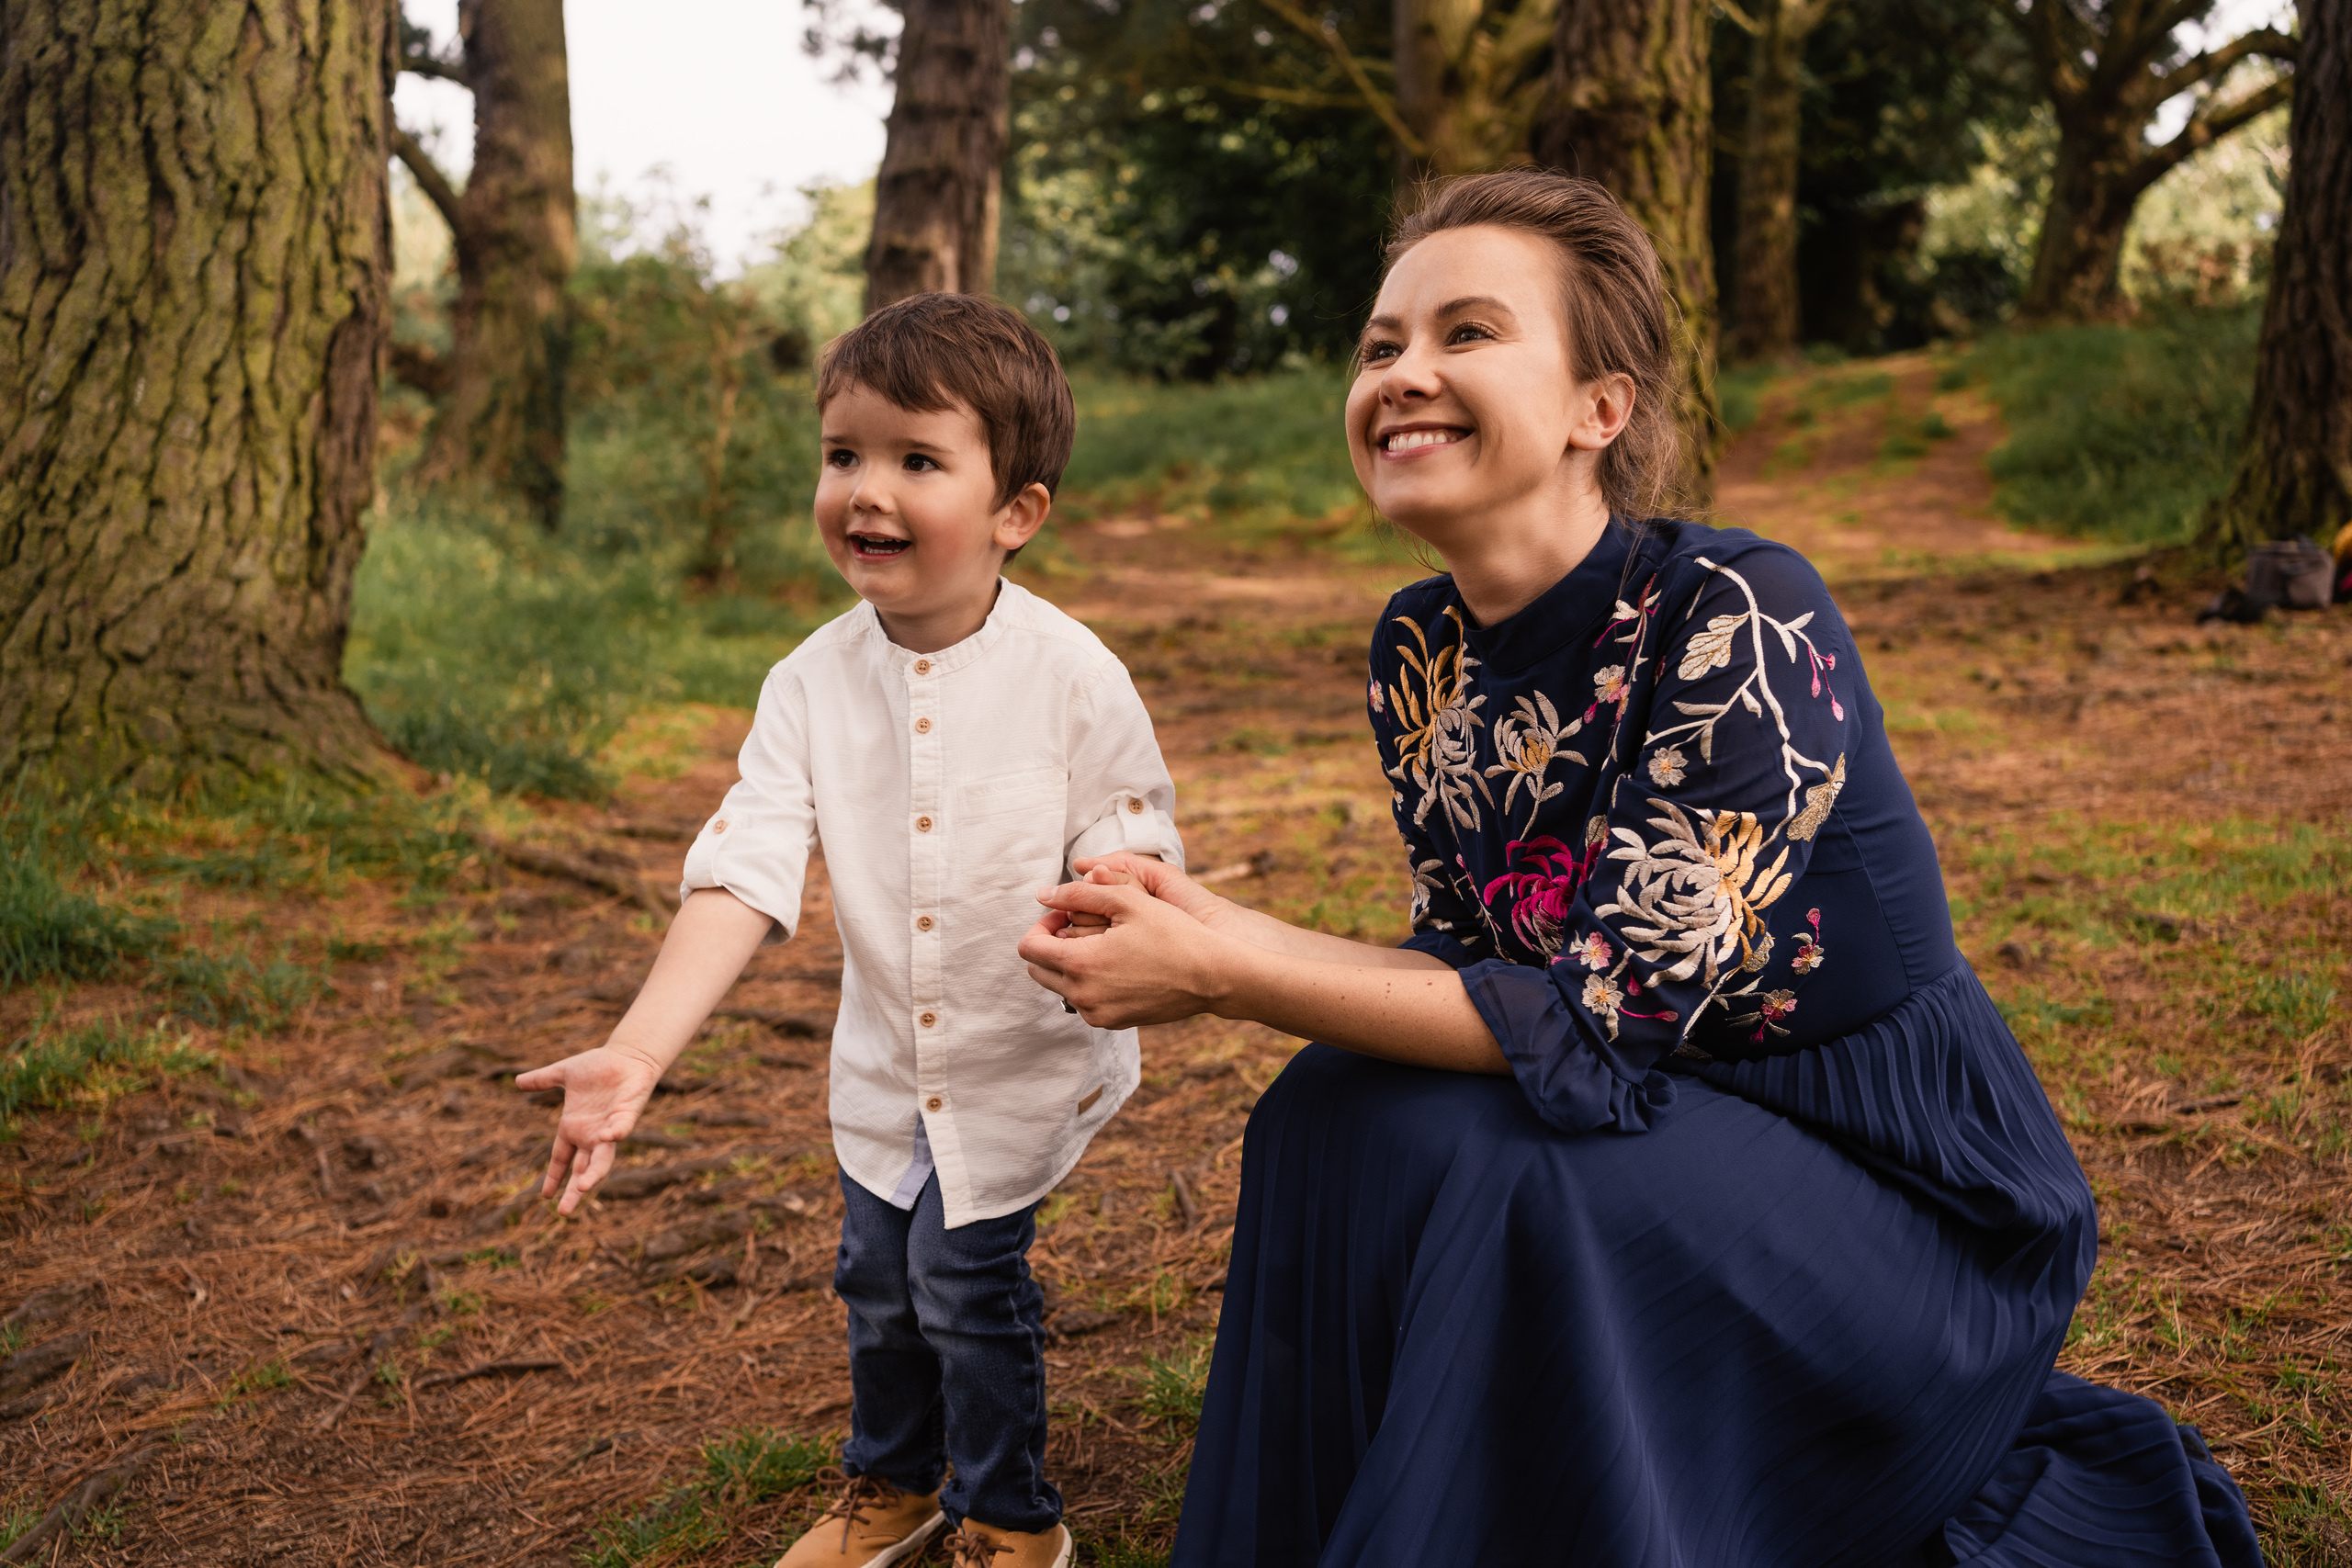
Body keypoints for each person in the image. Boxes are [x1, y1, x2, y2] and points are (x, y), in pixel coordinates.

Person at [1017, 170, 2263, 1567]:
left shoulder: (1740, 611)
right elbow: (1474, 968)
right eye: (1381, 346)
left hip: (1902, 1191)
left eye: (1466, 334)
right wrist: (1208, 926)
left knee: (1527, 1188)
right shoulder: (1418, 647)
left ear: (1597, 412)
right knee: (1329, 1109)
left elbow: (1594, 1023)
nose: (1403, 374)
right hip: (1672, 1101)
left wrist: (1230, 970)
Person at [518, 293, 1183, 1568]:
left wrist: (1118, 891)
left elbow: (1135, 832)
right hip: (884, 1072)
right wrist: (638, 1052)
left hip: (1016, 1062)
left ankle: (1007, 1510)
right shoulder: (808, 683)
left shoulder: (1073, 676)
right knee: (877, 1285)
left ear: (1015, 512)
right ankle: (892, 1479)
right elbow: (744, 873)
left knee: (965, 1288)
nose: (865, 490)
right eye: (844, 455)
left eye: (917, 461)